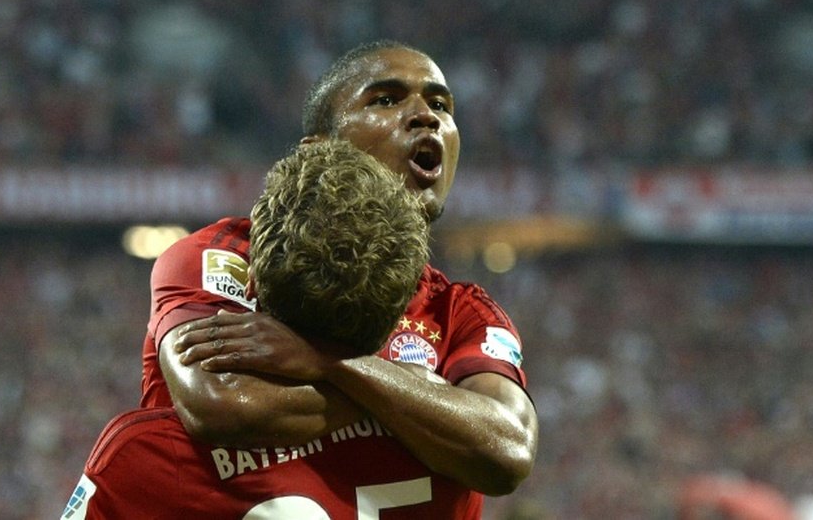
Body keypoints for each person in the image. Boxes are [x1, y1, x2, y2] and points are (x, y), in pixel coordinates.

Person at [140, 40, 538, 499]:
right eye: (386, 100)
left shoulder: (462, 313)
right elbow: (221, 403)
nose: (427, 116)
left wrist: (331, 363)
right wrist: (422, 394)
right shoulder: (221, 255)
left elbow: (506, 452)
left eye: (440, 104)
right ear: (318, 150)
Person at [64, 138, 483, 518]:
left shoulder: (145, 457)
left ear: (252, 284)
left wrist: (330, 366)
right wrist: (408, 385)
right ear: (398, 314)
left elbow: (216, 404)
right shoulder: (451, 464)